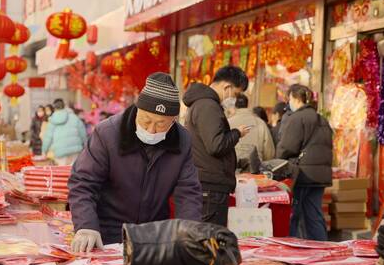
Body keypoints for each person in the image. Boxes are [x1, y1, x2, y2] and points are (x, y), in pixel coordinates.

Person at [68, 72, 202, 252]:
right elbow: (83, 182)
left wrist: (189, 232)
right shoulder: (108, 133)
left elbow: (189, 193)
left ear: (173, 121)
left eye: (161, 124)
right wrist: (86, 225)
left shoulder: (182, 140)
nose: (152, 130)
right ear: (138, 109)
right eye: (146, 120)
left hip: (153, 237)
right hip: (107, 235)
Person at [183, 65, 250, 226]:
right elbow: (216, 145)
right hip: (210, 186)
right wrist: (236, 133)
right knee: (209, 240)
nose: (234, 98)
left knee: (204, 238)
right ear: (227, 87)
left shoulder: (203, 104)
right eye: (235, 94)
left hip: (207, 183)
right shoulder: (208, 106)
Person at [276, 84, 332, 241]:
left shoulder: (297, 118)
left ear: (294, 98)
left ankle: (292, 249)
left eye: (289, 99)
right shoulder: (322, 119)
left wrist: (278, 160)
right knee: (314, 214)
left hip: (302, 174)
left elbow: (286, 147)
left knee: (294, 215)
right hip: (319, 176)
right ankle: (322, 249)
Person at [228, 94, 275, 162]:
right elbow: (269, 153)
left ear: (235, 106)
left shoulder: (228, 122)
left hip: (232, 167)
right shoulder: (260, 123)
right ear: (247, 105)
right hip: (254, 167)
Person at [42, 99, 87, 166]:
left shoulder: (52, 120)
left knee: (62, 173)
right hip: (75, 151)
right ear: (64, 106)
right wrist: (86, 146)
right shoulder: (74, 117)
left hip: (60, 151)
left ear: (54, 108)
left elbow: (48, 137)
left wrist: (44, 152)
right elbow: (83, 134)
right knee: (74, 172)